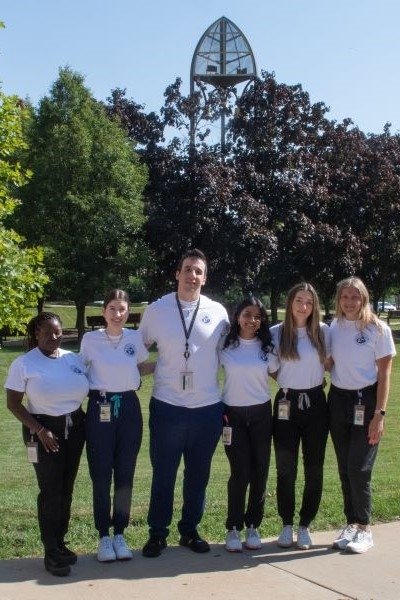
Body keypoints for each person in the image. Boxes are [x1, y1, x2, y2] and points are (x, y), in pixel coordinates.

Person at [139, 248, 229, 558]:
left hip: (207, 408)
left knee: (198, 475)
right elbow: (136, 350)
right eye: (188, 269)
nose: (193, 275)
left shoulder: (218, 312)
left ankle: (189, 531)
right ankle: (157, 534)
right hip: (167, 406)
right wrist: (152, 368)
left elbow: (233, 351)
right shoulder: (156, 310)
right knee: (164, 473)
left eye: (198, 271)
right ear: (177, 273)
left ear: (205, 278)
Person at [5, 312, 88, 577]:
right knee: (50, 491)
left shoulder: (71, 358)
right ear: (36, 334)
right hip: (43, 431)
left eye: (57, 331)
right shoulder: (24, 363)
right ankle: (50, 551)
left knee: (67, 488)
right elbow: (13, 403)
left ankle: (60, 542)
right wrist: (40, 430)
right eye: (47, 332)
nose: (54, 337)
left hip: (74, 428)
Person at [80, 289, 153, 562]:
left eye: (122, 309)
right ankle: (103, 536)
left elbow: (142, 366)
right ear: (104, 311)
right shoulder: (90, 340)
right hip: (100, 409)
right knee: (101, 476)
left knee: (125, 474)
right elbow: (79, 369)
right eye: (112, 308)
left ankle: (120, 533)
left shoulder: (134, 338)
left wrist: (168, 366)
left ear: (128, 311)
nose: (117, 314)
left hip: (129, 410)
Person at [328, 277, 396, 553]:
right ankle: (351, 524)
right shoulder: (334, 326)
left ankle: (365, 528)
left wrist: (379, 414)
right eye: (344, 297)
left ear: (364, 299)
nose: (349, 302)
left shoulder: (377, 329)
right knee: (345, 467)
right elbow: (330, 361)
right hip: (338, 400)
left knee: (360, 468)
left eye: (355, 297)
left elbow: (384, 373)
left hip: (366, 402)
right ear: (339, 300)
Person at [270, 283, 330, 550]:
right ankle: (286, 523)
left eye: (309, 302)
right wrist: (286, 382)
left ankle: (305, 524)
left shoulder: (324, 332)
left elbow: (336, 360)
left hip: (316, 404)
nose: (303, 306)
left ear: (314, 306)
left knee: (314, 468)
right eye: (298, 301)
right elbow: (269, 367)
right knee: (286, 468)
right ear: (290, 302)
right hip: (286, 404)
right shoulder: (276, 333)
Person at [220, 296, 278, 552]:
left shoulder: (267, 347)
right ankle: (233, 528)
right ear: (237, 316)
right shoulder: (225, 345)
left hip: (261, 415)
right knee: (239, 472)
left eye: (257, 316)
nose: (252, 320)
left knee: (260, 472)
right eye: (247, 314)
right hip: (232, 416)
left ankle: (253, 525)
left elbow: (280, 374)